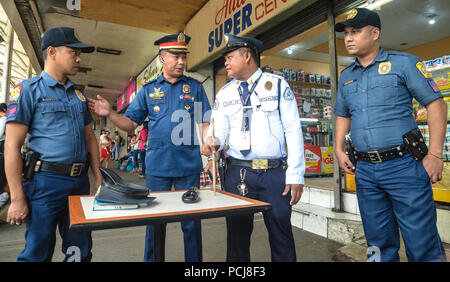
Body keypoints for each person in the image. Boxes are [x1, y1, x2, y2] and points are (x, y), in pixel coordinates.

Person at [333, 8, 447, 262]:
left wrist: (435, 154)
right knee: (377, 243)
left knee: (421, 241)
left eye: (356, 31)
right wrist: (339, 149)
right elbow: (342, 114)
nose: (349, 38)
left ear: (375, 33)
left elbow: (436, 104)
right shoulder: (346, 77)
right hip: (365, 171)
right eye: (346, 33)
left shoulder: (403, 63)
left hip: (404, 167)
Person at [88, 32, 211, 262]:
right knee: (155, 224)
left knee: (192, 223)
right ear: (162, 59)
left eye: (184, 56)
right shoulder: (147, 90)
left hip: (188, 166)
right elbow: (131, 123)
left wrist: (207, 141)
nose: (182, 61)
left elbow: (204, 121)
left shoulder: (195, 88)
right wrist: (111, 114)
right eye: (176, 56)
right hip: (158, 167)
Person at [202, 33, 305, 262]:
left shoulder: (277, 85)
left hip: (274, 173)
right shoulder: (225, 92)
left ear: (247, 55)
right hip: (238, 172)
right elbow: (217, 128)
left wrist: (296, 174)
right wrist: (211, 140)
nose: (225, 62)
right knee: (237, 237)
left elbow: (293, 129)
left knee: (281, 234)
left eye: (229, 57)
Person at [4, 27, 102, 262]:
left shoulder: (77, 94)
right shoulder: (28, 91)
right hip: (45, 184)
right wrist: (17, 198)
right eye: (73, 52)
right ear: (52, 52)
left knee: (79, 249)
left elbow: (90, 137)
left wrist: (99, 177)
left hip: (79, 183)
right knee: (38, 251)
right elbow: (11, 146)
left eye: (80, 54)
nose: (79, 59)